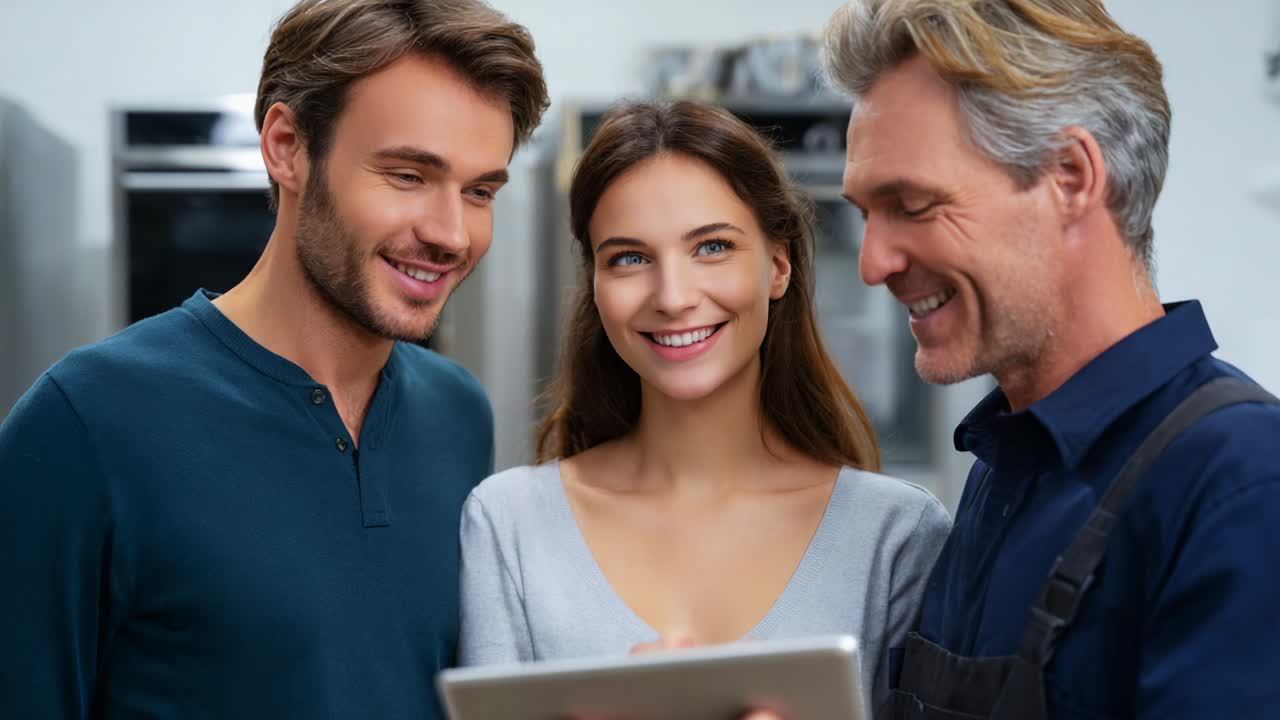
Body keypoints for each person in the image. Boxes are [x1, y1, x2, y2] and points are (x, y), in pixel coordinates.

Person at [0, 0, 548, 717]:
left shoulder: (457, 413)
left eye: (479, 191)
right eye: (409, 175)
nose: (452, 233)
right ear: (287, 146)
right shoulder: (84, 424)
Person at [811, 1, 1280, 718]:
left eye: (913, 204)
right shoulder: (1002, 472)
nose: (873, 263)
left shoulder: (1240, 483)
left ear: (1069, 177)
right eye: (866, 213)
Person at [456, 100, 951, 715]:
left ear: (777, 265)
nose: (673, 296)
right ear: (596, 286)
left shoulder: (896, 537)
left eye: (712, 247)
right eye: (629, 258)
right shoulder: (509, 524)